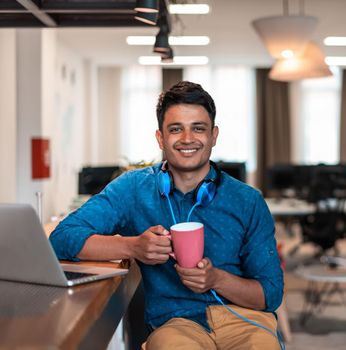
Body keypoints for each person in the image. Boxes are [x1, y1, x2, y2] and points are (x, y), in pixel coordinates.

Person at [50, 81, 284, 349]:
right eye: (176, 129)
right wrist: (132, 246)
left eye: (198, 128)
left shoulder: (248, 200)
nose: (187, 139)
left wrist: (216, 278)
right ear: (161, 138)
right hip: (176, 324)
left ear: (214, 135)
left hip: (244, 319)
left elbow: (271, 294)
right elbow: (61, 238)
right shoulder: (133, 188)